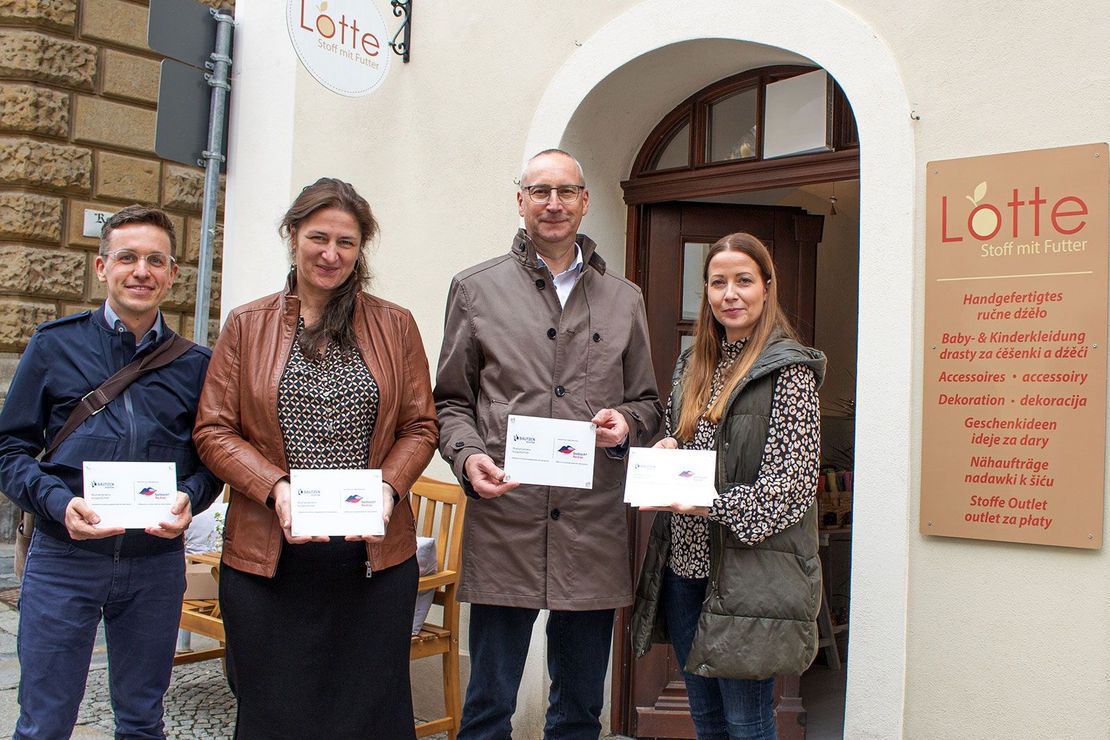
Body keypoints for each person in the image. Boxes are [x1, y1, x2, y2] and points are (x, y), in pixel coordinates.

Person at [193, 177, 437, 739]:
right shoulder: (247, 325)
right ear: (293, 235)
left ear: (361, 249)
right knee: (276, 714)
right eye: (318, 238)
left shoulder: (394, 324)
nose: (331, 254)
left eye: (346, 243)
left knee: (369, 715)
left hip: (372, 561)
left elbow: (420, 425)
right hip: (269, 560)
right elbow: (213, 430)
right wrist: (275, 486)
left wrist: (389, 487)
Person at [434, 149, 662, 738]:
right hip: (505, 518)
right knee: (487, 708)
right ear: (520, 200)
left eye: (566, 192)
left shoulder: (624, 298)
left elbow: (648, 405)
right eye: (540, 191)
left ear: (585, 201)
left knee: (580, 711)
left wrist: (624, 428)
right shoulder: (474, 289)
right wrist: (467, 455)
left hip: (591, 527)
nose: (553, 204)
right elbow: (451, 402)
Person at [0, 205, 222, 739]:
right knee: (45, 722)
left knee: (144, 721)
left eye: (154, 259)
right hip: (64, 557)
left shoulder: (196, 364)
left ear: (172, 274)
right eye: (127, 257)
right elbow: (9, 449)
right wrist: (57, 503)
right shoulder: (54, 345)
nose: (140, 270)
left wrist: (190, 498)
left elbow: (210, 460)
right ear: (102, 268)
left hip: (154, 564)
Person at [630, 233, 826, 740]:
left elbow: (790, 491)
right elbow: (689, 439)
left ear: (766, 287)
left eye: (743, 280)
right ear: (707, 291)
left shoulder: (790, 372)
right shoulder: (692, 363)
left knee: (747, 724)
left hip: (747, 574)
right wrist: (669, 446)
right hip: (684, 567)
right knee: (708, 722)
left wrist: (707, 501)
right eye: (719, 282)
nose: (730, 294)